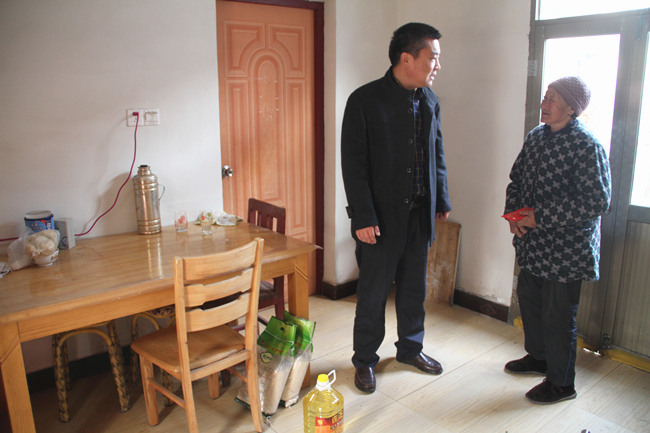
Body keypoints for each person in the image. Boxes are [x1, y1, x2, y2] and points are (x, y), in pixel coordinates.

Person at [341, 22, 452, 394]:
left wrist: (442, 199)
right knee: (373, 295)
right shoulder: (364, 100)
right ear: (407, 59)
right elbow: (353, 165)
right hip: (380, 220)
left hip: (419, 215)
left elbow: (436, 154)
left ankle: (410, 349)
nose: (437, 65)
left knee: (413, 290)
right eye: (432, 57)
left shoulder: (429, 100)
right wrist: (363, 216)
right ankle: (364, 360)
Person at [503, 76, 611, 404]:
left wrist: (540, 216)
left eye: (552, 99)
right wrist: (514, 216)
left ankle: (562, 383)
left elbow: (597, 201)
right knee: (530, 301)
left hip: (567, 250)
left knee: (558, 316)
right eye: (545, 97)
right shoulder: (536, 137)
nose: (544, 104)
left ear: (571, 108)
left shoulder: (586, 145)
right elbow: (516, 180)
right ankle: (539, 357)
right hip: (534, 245)